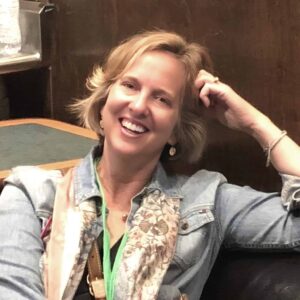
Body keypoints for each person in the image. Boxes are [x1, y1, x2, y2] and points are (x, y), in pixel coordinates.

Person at [0, 30, 300, 300]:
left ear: (175, 131)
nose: (140, 106)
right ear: (103, 103)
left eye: (162, 99)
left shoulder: (206, 201)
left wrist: (254, 123)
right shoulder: (32, 194)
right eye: (130, 85)